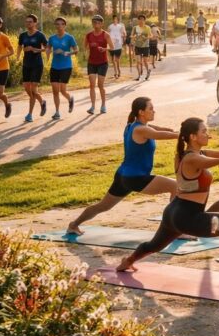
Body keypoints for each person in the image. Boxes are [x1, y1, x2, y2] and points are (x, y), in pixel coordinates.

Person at [116, 117, 219, 287]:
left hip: (173, 212)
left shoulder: (186, 154)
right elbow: (215, 161)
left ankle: (128, 260)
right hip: (188, 216)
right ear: (193, 137)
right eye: (204, 131)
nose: (207, 134)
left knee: (154, 245)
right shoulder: (192, 159)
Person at [67, 97, 180, 234]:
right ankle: (173, 229)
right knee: (175, 186)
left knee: (103, 206)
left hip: (123, 176)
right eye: (150, 108)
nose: (154, 111)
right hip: (135, 178)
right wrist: (182, 136)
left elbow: (161, 130)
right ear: (141, 112)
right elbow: (159, 134)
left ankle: (74, 225)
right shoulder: (141, 130)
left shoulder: (132, 126)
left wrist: (177, 132)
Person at [17, 14, 49, 122]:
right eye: (27, 22)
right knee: (27, 88)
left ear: (35, 23)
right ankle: (42, 101)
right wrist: (18, 57)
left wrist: (36, 49)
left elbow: (47, 49)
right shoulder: (23, 35)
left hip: (37, 64)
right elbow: (19, 47)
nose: (28, 24)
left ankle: (29, 114)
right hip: (26, 64)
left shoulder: (40, 35)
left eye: (30, 22)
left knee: (33, 89)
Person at [45, 17, 77, 120]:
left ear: (64, 25)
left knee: (63, 90)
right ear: (55, 25)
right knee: (55, 91)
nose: (59, 26)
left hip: (66, 66)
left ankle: (70, 99)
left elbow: (76, 50)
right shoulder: (52, 38)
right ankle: (57, 112)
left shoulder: (69, 38)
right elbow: (48, 48)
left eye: (61, 24)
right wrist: (48, 52)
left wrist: (67, 53)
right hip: (55, 66)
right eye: (57, 24)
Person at [84, 15, 113, 115]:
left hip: (102, 63)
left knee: (100, 85)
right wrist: (87, 52)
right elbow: (85, 47)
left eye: (98, 23)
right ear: (92, 23)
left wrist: (104, 49)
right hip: (91, 62)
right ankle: (92, 106)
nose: (96, 24)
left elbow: (112, 47)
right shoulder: (88, 35)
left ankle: (103, 105)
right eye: (94, 22)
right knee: (92, 85)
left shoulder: (106, 35)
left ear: (102, 24)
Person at [131, 14, 152, 81]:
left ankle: (148, 71)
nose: (141, 21)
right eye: (140, 19)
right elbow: (131, 35)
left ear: (144, 20)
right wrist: (133, 37)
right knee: (138, 61)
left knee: (145, 61)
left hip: (145, 46)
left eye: (143, 20)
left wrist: (146, 37)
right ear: (138, 20)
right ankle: (139, 75)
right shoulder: (135, 28)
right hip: (137, 46)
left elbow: (151, 36)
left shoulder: (147, 28)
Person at [108, 15, 126, 79]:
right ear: (112, 20)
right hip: (112, 45)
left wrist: (122, 37)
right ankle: (115, 72)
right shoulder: (110, 26)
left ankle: (119, 70)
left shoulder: (120, 26)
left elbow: (124, 34)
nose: (115, 20)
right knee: (113, 60)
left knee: (117, 60)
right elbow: (108, 34)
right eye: (114, 19)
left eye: (116, 19)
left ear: (118, 20)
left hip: (118, 44)